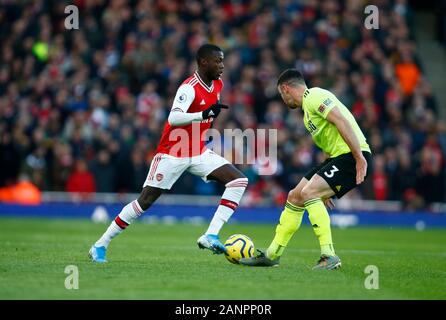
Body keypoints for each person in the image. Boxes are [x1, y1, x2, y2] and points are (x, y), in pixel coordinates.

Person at [89, 44, 248, 263]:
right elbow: (174, 117)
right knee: (144, 202)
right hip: (172, 153)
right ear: (203, 62)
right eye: (217, 61)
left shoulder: (218, 84)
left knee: (238, 181)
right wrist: (202, 114)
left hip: (197, 151)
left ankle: (210, 235)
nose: (222, 65)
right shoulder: (189, 87)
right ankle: (100, 245)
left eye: (222, 61)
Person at [240, 69, 372, 270]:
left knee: (309, 192)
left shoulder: (315, 96)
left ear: (285, 89)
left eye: (281, 95)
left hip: (351, 155)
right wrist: (324, 185)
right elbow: (330, 142)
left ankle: (329, 255)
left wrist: (359, 157)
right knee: (295, 196)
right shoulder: (307, 113)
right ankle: (272, 254)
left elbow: (341, 120)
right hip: (338, 157)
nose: (284, 101)